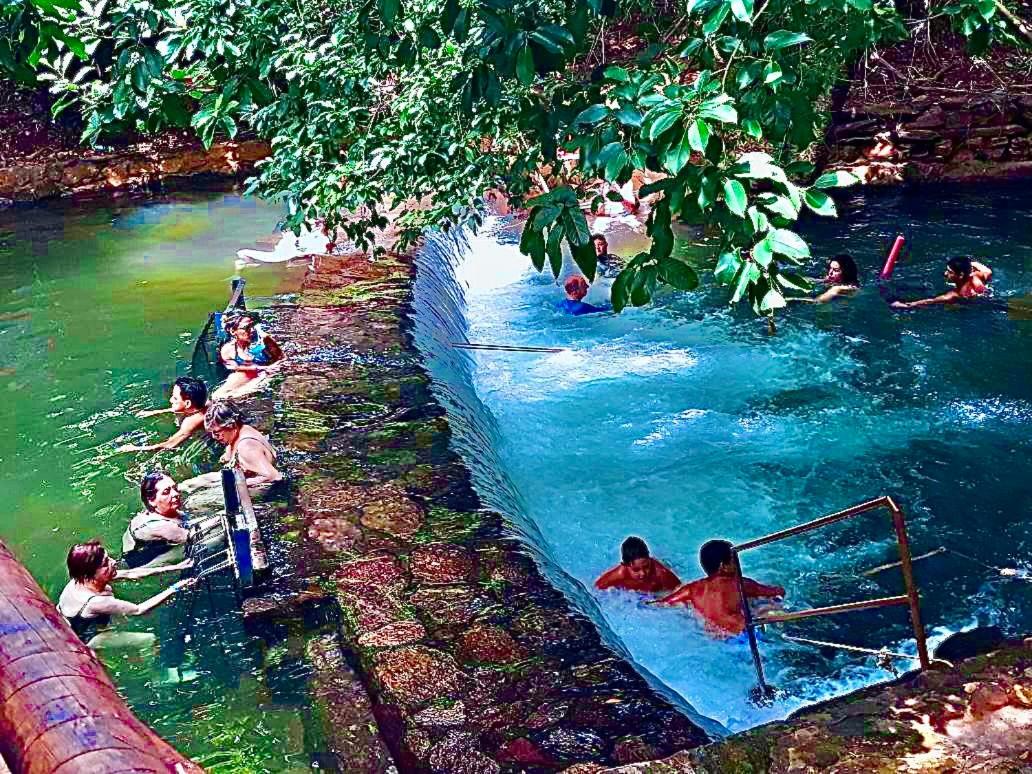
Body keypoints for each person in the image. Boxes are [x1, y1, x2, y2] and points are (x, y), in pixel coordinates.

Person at [57, 539, 194, 648]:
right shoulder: (96, 602)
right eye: (105, 563)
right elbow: (139, 609)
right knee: (149, 639)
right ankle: (162, 671)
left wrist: (175, 567)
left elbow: (130, 573)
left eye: (108, 558)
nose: (113, 562)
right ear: (90, 575)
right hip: (89, 638)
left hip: (79, 623)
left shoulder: (82, 578)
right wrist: (175, 588)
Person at [654, 539, 784, 637]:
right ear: (723, 566)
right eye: (734, 560)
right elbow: (776, 592)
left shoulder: (691, 589)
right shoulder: (741, 584)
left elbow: (661, 604)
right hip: (743, 635)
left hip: (716, 638)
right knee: (768, 608)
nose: (737, 563)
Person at [117, 376, 208, 453]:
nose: (170, 400)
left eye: (175, 398)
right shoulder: (204, 403)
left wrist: (134, 448)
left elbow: (169, 445)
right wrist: (155, 412)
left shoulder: (190, 423)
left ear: (187, 403)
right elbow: (181, 408)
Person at [122, 472, 193, 568]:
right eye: (166, 492)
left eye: (175, 488)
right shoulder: (158, 526)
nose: (176, 494)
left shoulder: (165, 512)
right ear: (151, 501)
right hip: (140, 565)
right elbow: (194, 535)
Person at [204, 400, 283, 485]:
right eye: (211, 433)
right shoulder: (240, 431)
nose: (213, 436)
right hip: (241, 475)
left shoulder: (246, 446)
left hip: (267, 488)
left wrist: (235, 483)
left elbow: (275, 477)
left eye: (216, 432)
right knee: (198, 481)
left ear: (232, 425)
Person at [213, 312, 284, 400]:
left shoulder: (264, 340)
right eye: (247, 327)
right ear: (233, 331)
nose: (253, 330)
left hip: (269, 375)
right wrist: (263, 368)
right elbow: (236, 368)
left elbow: (282, 359)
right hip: (253, 375)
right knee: (217, 396)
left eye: (252, 325)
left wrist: (273, 370)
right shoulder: (228, 350)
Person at [891, 256, 993, 309]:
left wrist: (903, 305)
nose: (945, 273)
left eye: (950, 272)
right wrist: (969, 264)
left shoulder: (954, 295)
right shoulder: (977, 277)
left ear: (961, 275)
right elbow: (988, 271)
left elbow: (929, 301)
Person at [595, 537, 681, 594]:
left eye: (646, 566)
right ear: (626, 566)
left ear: (649, 559)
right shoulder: (620, 574)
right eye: (636, 570)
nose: (643, 573)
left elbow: (679, 590)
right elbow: (596, 589)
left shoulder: (660, 573)